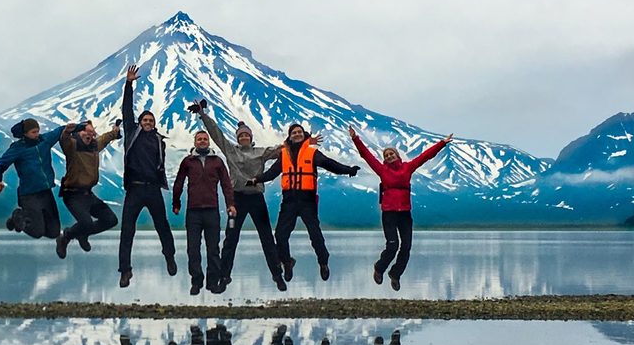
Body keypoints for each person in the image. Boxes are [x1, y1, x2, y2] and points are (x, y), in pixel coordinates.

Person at [193, 101, 285, 292]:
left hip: (257, 201)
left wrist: (300, 142)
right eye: (241, 135)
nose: (243, 137)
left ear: (251, 138)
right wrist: (203, 115)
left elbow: (282, 150)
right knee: (231, 237)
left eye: (246, 135)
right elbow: (216, 134)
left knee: (266, 237)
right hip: (237, 201)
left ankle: (277, 275)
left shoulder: (261, 152)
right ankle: (224, 277)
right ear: (238, 138)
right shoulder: (231, 150)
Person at [349, 128, 453, 291]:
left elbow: (425, 156)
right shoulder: (382, 170)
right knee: (392, 245)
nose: (389, 156)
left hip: (405, 214)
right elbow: (367, 156)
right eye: (386, 155)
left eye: (391, 154)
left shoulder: (407, 168)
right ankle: (379, 268)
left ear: (398, 156)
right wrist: (356, 139)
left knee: (406, 247)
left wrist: (442, 143)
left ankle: (395, 274)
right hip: (389, 213)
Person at [256, 124, 359, 282]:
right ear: (289, 136)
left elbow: (329, 164)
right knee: (280, 235)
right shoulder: (283, 154)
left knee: (315, 234)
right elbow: (272, 173)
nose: (297, 134)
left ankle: (323, 262)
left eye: (299, 132)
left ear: (304, 135)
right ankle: (287, 262)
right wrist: (257, 179)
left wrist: (349, 170)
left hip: (307, 200)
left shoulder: (312, 153)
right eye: (293, 132)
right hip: (289, 200)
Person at [117, 64, 177, 288]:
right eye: (145, 120)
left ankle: (169, 256)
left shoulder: (159, 141)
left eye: (151, 121)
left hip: (152, 189)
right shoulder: (132, 133)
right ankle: (125, 270)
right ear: (140, 123)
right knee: (127, 231)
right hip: (134, 188)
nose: (148, 123)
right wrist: (129, 84)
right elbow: (127, 110)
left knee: (163, 226)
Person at [171, 130, 235, 295]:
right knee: (193, 249)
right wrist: (176, 203)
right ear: (195, 142)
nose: (202, 141)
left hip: (212, 211)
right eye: (199, 139)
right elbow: (178, 182)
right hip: (193, 212)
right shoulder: (188, 161)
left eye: (205, 139)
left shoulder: (217, 162)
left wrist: (230, 204)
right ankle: (196, 281)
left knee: (213, 249)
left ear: (209, 142)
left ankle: (212, 282)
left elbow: (226, 185)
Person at [0, 117, 72, 239]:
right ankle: (18, 216)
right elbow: (0, 164)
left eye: (38, 131)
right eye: (33, 132)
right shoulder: (17, 148)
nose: (37, 134)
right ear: (25, 133)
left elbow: (61, 130)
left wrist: (82, 126)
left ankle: (21, 222)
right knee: (37, 232)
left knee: (53, 233)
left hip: (45, 192)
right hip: (29, 195)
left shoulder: (44, 140)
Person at [57, 119, 122, 260]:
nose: (90, 135)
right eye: (86, 132)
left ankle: (82, 233)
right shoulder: (72, 146)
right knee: (86, 222)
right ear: (78, 132)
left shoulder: (94, 145)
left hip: (88, 195)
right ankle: (65, 236)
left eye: (92, 133)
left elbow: (105, 138)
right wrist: (67, 131)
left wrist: (115, 132)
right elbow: (64, 140)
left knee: (111, 220)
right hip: (72, 195)